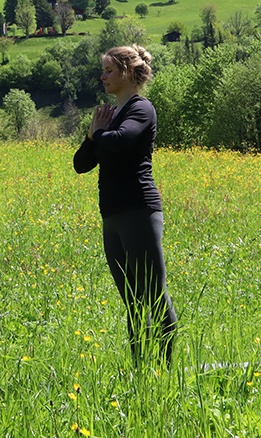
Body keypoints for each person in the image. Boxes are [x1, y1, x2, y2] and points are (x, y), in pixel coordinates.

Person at [73, 44, 179, 365]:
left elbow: (120, 140)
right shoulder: (110, 116)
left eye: (109, 70)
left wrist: (99, 134)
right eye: (103, 70)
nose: (102, 76)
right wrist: (94, 136)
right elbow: (81, 163)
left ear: (127, 73)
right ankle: (140, 373)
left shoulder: (141, 109)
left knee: (154, 296)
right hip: (113, 217)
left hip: (139, 210)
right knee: (132, 303)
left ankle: (166, 370)